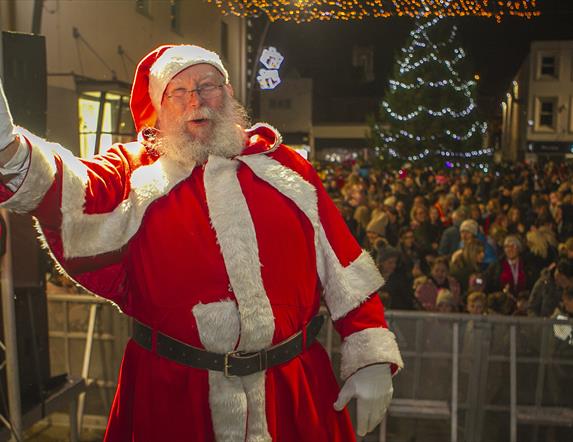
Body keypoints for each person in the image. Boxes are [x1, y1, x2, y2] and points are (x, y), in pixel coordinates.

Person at [0, 45, 403, 441]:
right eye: (179, 91)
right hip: (174, 394)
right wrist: (11, 152)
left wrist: (370, 352)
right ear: (160, 107)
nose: (196, 100)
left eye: (207, 85)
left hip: (291, 392)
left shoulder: (286, 167)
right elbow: (72, 188)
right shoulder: (132, 171)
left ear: (228, 93)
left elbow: (344, 265)